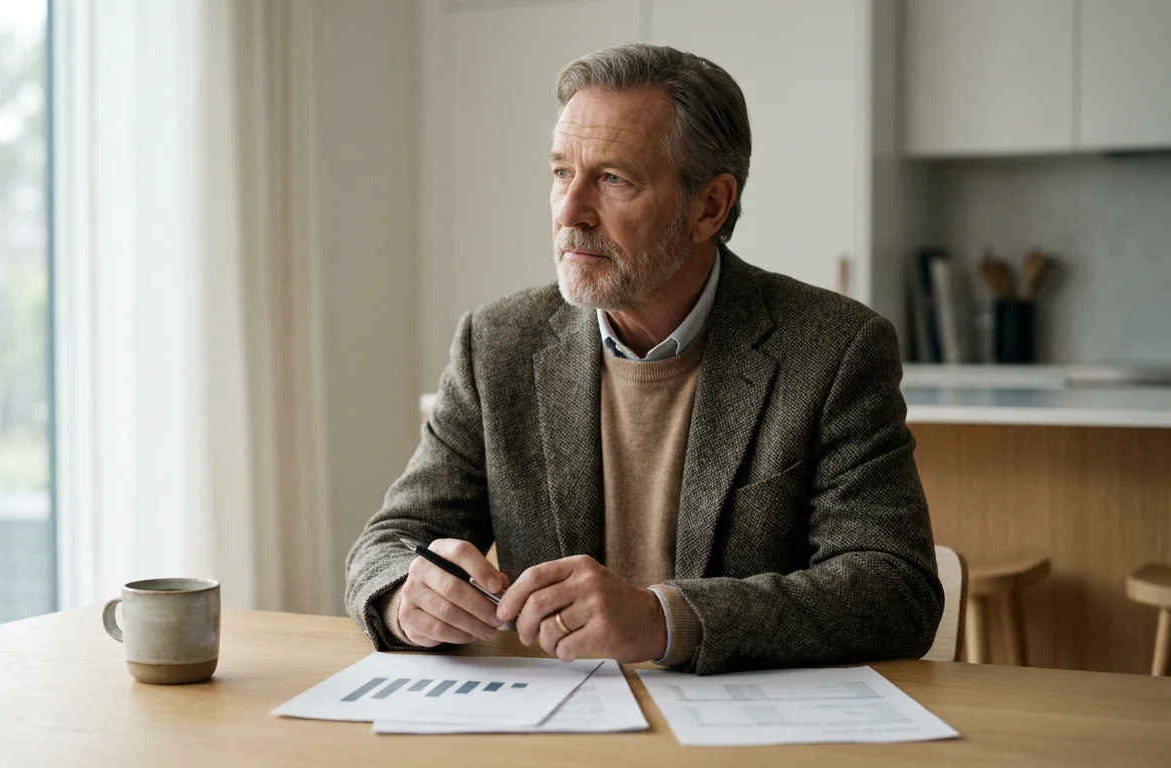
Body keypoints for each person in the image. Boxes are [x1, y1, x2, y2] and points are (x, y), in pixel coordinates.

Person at [345, 43, 942, 675]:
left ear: (708, 206)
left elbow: (894, 590)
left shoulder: (834, 348)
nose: (570, 213)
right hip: (553, 727)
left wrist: (663, 619)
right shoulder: (497, 344)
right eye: (559, 174)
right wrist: (403, 599)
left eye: (613, 179)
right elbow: (389, 540)